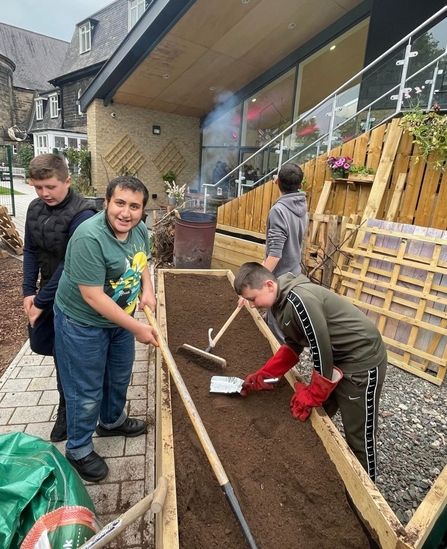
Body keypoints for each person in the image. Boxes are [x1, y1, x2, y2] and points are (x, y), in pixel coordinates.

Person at [233, 262, 388, 482]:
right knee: (321, 413)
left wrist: (315, 392)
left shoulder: (301, 301)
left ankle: (369, 495)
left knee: (358, 434)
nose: (250, 305)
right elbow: (293, 345)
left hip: (362, 360)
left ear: (268, 285)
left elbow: (320, 349)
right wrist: (265, 374)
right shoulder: (278, 305)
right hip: (338, 358)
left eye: (252, 299)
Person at [53, 176, 159, 482]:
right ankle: (79, 448)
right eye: (120, 203)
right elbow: (92, 295)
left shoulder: (138, 230)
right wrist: (136, 327)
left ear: (142, 211)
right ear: (106, 203)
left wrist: (147, 291)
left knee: (119, 375)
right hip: (83, 323)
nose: (126, 212)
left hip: (119, 321)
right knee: (85, 389)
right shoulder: (90, 238)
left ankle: (111, 421)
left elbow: (141, 264)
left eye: (135, 206)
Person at [22, 153, 96, 442]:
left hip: (75, 299)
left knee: (71, 358)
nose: (44, 194)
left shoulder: (84, 215)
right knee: (55, 354)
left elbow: (70, 265)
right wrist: (29, 290)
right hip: (45, 291)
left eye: (50, 187)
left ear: (67, 180)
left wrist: (41, 303)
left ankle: (70, 412)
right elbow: (29, 251)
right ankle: (70, 405)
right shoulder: (34, 209)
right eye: (38, 187)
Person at [238, 163, 308, 345]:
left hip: (279, 282)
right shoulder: (302, 208)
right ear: (300, 184)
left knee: (276, 333)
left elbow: (275, 255)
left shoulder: (279, 211)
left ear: (276, 182)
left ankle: (281, 370)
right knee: (286, 329)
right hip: (294, 274)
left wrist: (253, 285)